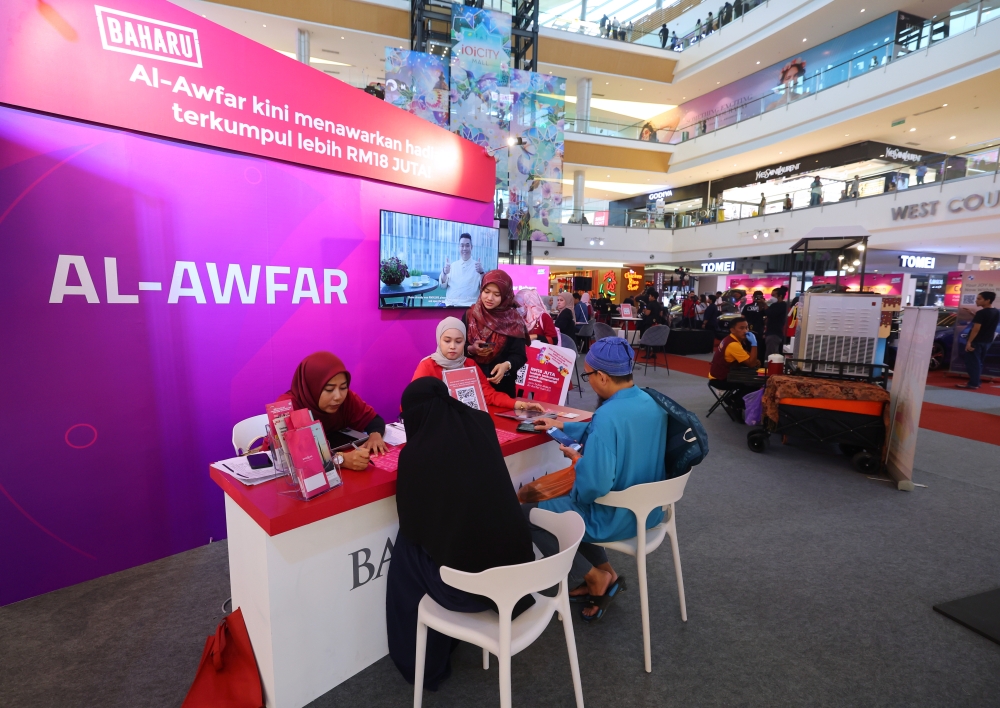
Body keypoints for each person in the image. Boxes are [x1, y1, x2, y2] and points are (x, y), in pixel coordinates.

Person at [386, 377, 536, 689]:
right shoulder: (481, 423)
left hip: (469, 590)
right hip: (520, 577)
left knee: (406, 549)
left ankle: (423, 666)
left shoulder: (415, 454)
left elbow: (413, 525)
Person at [529, 338, 668, 620]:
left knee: (527, 511)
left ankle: (593, 576)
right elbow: (610, 430)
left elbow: (593, 487)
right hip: (649, 511)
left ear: (602, 376)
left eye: (588, 374)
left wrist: (578, 461)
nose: (589, 380)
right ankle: (605, 571)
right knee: (568, 504)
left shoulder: (608, 415)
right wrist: (562, 424)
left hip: (615, 516)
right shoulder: (650, 401)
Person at [279, 351, 387, 470]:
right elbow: (292, 457)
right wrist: (341, 460)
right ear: (312, 387)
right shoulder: (286, 407)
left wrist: (375, 435)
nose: (338, 396)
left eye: (343, 387)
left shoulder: (347, 399)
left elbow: (373, 419)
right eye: (330, 389)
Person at [412, 317, 546, 410]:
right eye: (447, 341)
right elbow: (412, 401)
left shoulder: (469, 364)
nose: (452, 346)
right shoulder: (428, 365)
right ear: (438, 340)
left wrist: (520, 404)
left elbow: (488, 394)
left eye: (458, 342)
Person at [462, 270, 528, 398]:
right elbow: (458, 345)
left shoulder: (514, 320)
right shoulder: (470, 315)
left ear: (505, 296)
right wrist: (471, 349)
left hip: (502, 385)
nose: (490, 298)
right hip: (471, 383)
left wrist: (506, 365)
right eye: (486, 292)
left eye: (497, 294)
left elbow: (519, 356)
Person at [709, 317, 760, 410]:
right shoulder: (733, 344)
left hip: (718, 374)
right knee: (755, 384)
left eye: (747, 327)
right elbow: (752, 364)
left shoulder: (730, 339)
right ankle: (736, 406)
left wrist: (752, 358)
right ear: (732, 330)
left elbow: (748, 356)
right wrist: (754, 344)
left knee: (752, 380)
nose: (745, 331)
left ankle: (732, 399)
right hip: (721, 379)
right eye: (741, 328)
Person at [957, 291, 998, 390]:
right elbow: (985, 321)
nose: (976, 300)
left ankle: (974, 383)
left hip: (977, 341)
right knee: (978, 362)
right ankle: (975, 382)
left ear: (987, 300)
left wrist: (969, 342)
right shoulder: (996, 311)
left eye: (979, 299)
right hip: (987, 341)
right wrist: (972, 313)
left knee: (973, 363)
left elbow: (976, 329)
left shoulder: (981, 313)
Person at [439, 232, 485, 307]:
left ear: (471, 247)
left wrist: (481, 272)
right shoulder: (452, 266)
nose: (464, 248)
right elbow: (442, 286)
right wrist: (444, 272)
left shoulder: (478, 267)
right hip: (450, 305)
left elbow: (484, 287)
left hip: (470, 307)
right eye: (462, 245)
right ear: (458, 247)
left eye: (467, 245)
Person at [765, 286, 788, 359]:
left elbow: (771, 314)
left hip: (775, 333)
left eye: (773, 295)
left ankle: (772, 369)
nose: (772, 297)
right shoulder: (773, 305)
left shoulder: (783, 305)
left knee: (772, 354)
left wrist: (764, 305)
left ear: (780, 296)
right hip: (770, 332)